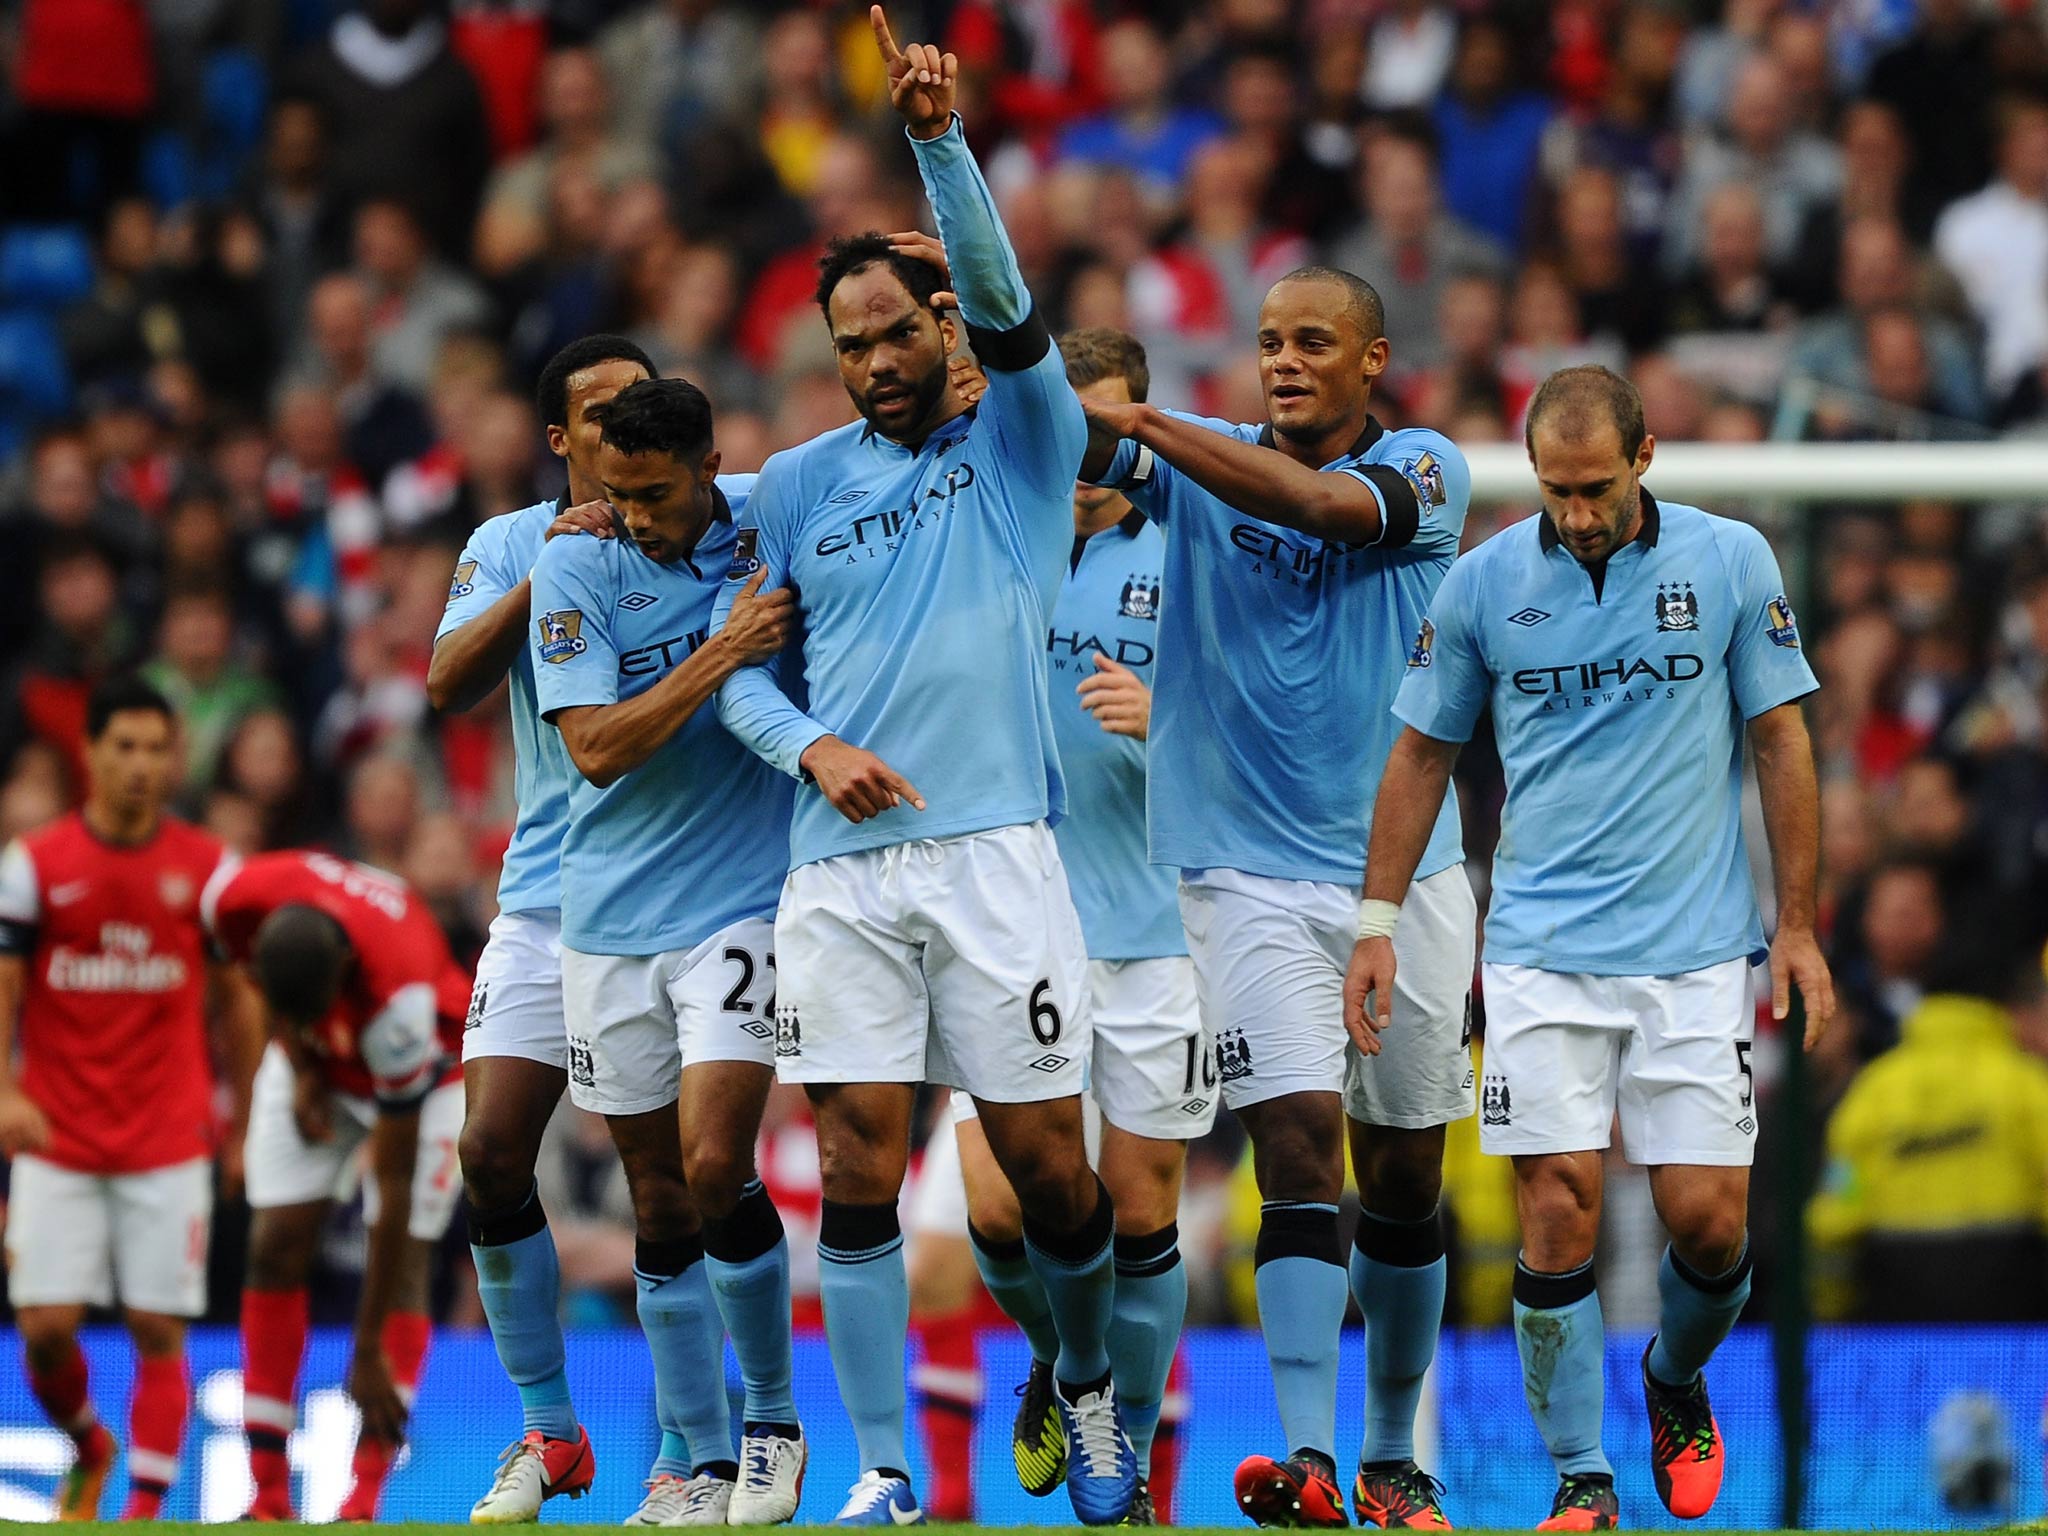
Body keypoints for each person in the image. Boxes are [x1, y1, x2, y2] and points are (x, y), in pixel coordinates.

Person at [712, 9, 1137, 1524]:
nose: (876, 363)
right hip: (838, 870)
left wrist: (938, 142)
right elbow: (741, 683)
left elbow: (1021, 313)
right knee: (854, 1162)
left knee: (1046, 1176)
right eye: (851, 347)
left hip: (997, 855)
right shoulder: (792, 488)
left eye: (899, 334)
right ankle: (885, 1464)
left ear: (946, 330)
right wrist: (810, 741)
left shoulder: (1024, 440)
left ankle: (1082, 1380)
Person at [1350, 364, 1834, 1530]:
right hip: (1537, 951)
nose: (1575, 513)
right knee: (1554, 1209)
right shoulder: (1479, 585)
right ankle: (1581, 1478)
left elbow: (1780, 742)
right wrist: (1375, 924)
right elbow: (1420, 755)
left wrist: (1799, 925)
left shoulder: (1728, 564)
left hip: (1695, 951)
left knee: (1711, 1228)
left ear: (1645, 456)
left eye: (1595, 489)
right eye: (1556, 491)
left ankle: (1671, 1379)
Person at [1078, 266, 1476, 1529]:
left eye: (1313, 341)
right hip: (1240, 868)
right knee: (1295, 1144)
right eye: (1266, 343)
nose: (1285, 360)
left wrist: (1140, 422)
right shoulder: (1200, 460)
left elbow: (1315, 506)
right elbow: (1059, 439)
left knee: (1406, 1179)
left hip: (1405, 878)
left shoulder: (1425, 469)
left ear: (1371, 360)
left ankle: (1387, 1452)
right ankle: (1306, 1458)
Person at [930, 328, 1202, 1527]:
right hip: (1006, 929)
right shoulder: (991, 539)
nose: (1087, 454)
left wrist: (1171, 718)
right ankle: (1063, 1358)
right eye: (1068, 429)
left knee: (1139, 1217)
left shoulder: (1196, 554)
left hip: (1156, 934)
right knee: (999, 1212)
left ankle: (1124, 1466)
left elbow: (1283, 732)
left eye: (1108, 431)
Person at [530, 374, 803, 1526]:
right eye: (616, 493)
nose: (633, 515)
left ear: (707, 465)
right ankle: (687, 1461)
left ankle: (773, 1428)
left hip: (740, 905)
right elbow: (595, 747)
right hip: (604, 917)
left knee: (709, 1163)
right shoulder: (574, 563)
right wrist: (723, 650)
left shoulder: (771, 519)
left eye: (652, 492)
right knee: (654, 1197)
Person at [428, 332, 653, 1522]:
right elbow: (445, 683)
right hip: (544, 895)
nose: (624, 425)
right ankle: (550, 1433)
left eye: (641, 402)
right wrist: (540, 577)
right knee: (488, 1150)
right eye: (600, 412)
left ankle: (705, 1446)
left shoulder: (713, 527)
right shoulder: (507, 542)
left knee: (679, 1179)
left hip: (676, 897)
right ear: (560, 438)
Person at [0, 677, 258, 1520]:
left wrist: (245, 1125)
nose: (142, 766)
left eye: (157, 749)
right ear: (91, 752)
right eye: (125, 747)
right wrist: (2, 1089)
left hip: (168, 1136)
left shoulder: (208, 868)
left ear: (174, 759)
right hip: (56, 1135)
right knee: (42, 1329)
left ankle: (143, 1511)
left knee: (158, 1328)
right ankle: (89, 1443)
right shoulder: (34, 865)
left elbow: (237, 1005)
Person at [203, 849, 473, 1523]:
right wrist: (301, 1062)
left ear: (345, 975)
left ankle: (362, 1502)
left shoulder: (400, 996)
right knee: (272, 1246)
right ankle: (265, 1498)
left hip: (428, 1078)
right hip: (317, 1063)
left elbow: (394, 1180)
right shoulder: (236, 899)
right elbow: (259, 988)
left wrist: (367, 1343)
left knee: (407, 1260)